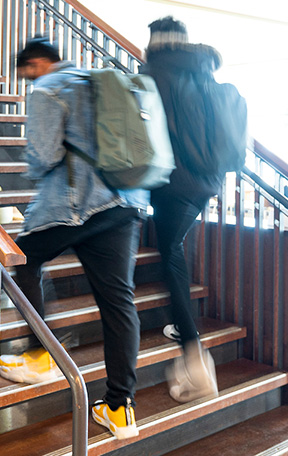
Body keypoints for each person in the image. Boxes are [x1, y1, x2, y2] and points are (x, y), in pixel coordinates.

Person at [0, 37, 148, 440]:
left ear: (39, 62)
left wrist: (33, 166)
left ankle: (41, 353)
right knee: (119, 303)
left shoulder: (49, 88)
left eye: (27, 70)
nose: (28, 78)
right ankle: (120, 408)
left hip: (74, 205)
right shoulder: (101, 81)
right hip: (123, 201)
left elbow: (42, 156)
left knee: (18, 260)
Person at [140, 16, 221, 403]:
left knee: (170, 254)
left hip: (174, 183)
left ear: (156, 41)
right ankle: (181, 325)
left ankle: (194, 355)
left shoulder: (155, 72)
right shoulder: (202, 71)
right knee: (175, 247)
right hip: (207, 183)